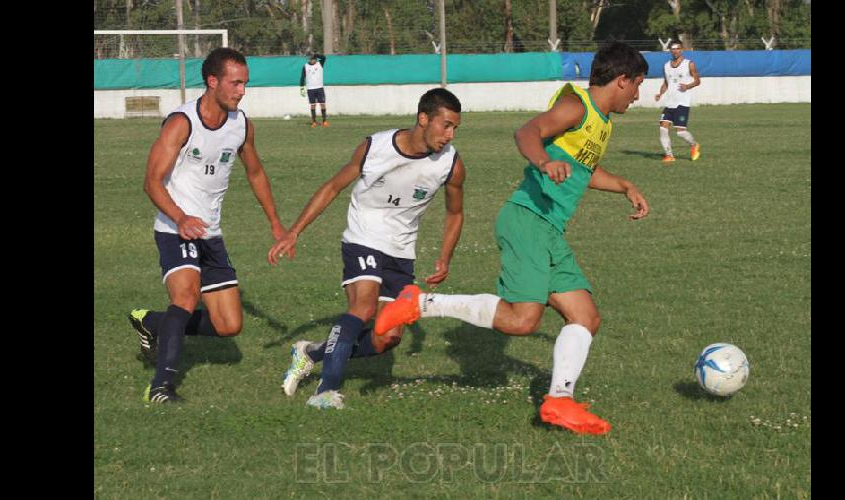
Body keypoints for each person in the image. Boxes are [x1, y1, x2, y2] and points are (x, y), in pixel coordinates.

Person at [375, 42, 650, 435]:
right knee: (523, 321)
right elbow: (528, 132)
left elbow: (581, 170)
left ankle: (559, 400)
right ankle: (419, 302)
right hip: (528, 220)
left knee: (586, 317)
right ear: (621, 80)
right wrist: (543, 160)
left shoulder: (602, 123)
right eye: (637, 85)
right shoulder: (577, 106)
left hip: (548, 230)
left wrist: (624, 185)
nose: (638, 95)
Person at [268, 88, 466, 409]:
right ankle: (325, 392)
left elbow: (455, 213)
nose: (449, 134)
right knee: (363, 307)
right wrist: (294, 232)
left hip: (401, 251)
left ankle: (311, 353)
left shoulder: (450, 165)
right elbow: (333, 186)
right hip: (363, 237)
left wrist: (445, 257)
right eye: (445, 125)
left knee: (387, 338)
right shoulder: (376, 147)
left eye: (455, 128)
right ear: (423, 118)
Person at [127, 47, 287, 403]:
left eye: (244, 83)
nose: (241, 90)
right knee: (185, 297)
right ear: (212, 81)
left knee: (229, 325)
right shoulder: (182, 123)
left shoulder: (241, 124)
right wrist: (181, 217)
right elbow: (152, 181)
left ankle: (152, 322)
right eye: (235, 83)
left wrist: (277, 224)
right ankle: (161, 387)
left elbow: (256, 173)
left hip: (211, 234)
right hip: (175, 227)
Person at [653, 41, 701, 162]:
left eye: (677, 48)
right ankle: (669, 155)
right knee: (663, 128)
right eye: (672, 49)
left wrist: (687, 86)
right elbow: (666, 82)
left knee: (680, 132)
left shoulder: (689, 64)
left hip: (682, 103)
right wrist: (660, 93)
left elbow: (697, 81)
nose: (675, 51)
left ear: (682, 49)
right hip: (670, 103)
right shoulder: (666, 66)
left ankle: (694, 145)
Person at [300, 53, 329, 128]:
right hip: (310, 89)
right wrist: (301, 88)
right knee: (313, 105)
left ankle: (324, 121)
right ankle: (314, 122)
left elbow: (324, 57)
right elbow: (302, 77)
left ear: (315, 59)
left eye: (313, 59)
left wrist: (316, 54)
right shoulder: (305, 66)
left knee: (322, 104)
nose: (312, 60)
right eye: (311, 59)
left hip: (319, 88)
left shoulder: (320, 64)